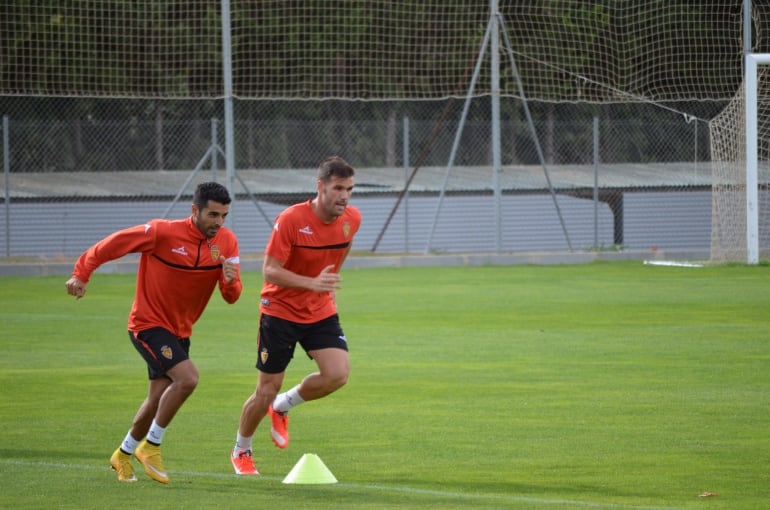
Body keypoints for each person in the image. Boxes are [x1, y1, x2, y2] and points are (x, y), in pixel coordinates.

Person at [65, 182, 242, 484]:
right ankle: (152, 445)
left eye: (224, 215)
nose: (219, 222)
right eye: (213, 215)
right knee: (188, 379)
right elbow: (113, 244)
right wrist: (82, 273)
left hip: (180, 332)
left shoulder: (227, 242)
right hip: (147, 325)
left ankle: (123, 454)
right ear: (195, 210)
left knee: (156, 400)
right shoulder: (162, 232)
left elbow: (232, 297)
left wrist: (229, 280)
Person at [230, 156, 361, 476]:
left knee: (337, 375)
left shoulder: (352, 219)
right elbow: (270, 271)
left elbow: (343, 247)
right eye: (338, 188)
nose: (344, 196)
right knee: (266, 390)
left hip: (319, 310)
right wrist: (312, 283)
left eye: (349, 189)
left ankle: (283, 406)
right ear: (321, 187)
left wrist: (326, 283)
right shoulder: (291, 219)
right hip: (280, 311)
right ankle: (241, 449)